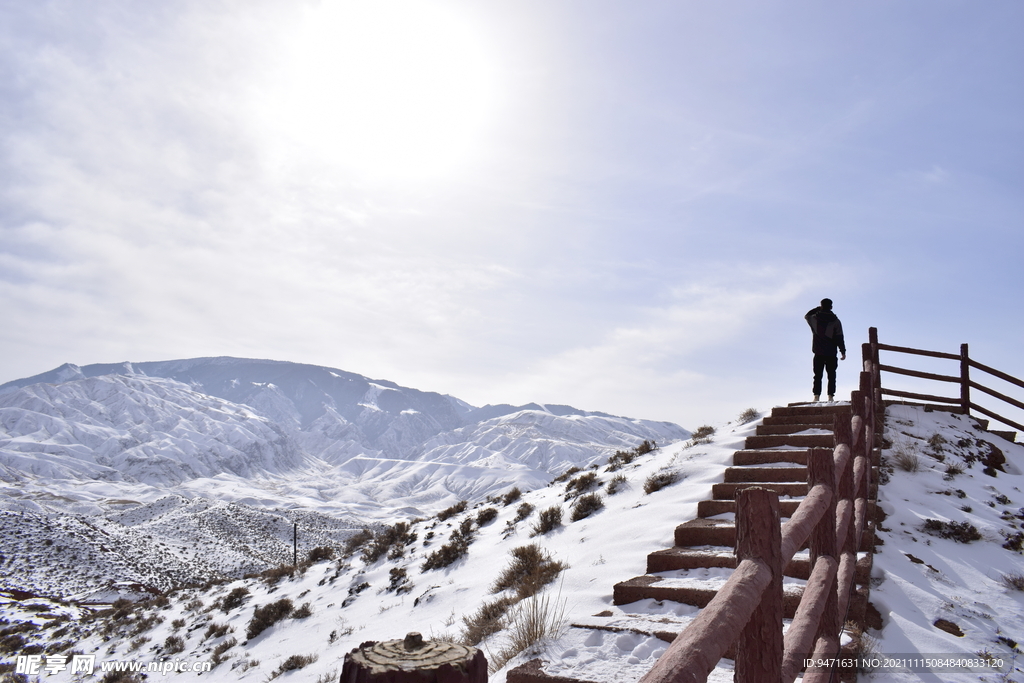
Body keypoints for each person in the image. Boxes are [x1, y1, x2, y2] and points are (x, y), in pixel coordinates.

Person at [804, 298, 846, 402]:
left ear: (821, 306)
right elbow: (839, 337)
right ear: (831, 307)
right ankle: (830, 396)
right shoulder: (836, 321)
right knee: (831, 375)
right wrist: (843, 351)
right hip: (831, 353)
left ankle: (816, 396)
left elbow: (807, 315)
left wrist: (818, 308)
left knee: (817, 375)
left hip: (818, 352)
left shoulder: (815, 319)